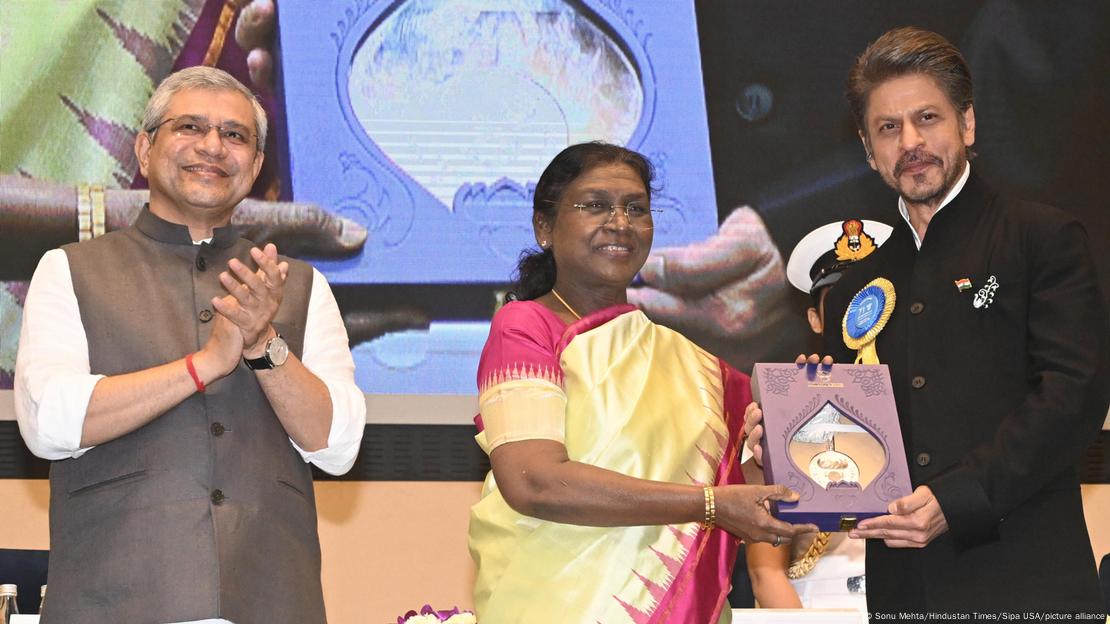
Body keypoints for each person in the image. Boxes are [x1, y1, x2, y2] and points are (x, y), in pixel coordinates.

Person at [14, 66, 366, 623]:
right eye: (190, 127)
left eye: (235, 136)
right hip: (116, 599)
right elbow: (48, 421)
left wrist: (263, 341)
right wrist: (204, 364)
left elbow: (338, 443)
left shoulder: (299, 285)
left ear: (253, 167)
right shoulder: (68, 270)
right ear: (145, 150)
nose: (212, 147)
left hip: (271, 597)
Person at [815, 27, 1107, 614]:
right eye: (888, 128)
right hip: (904, 591)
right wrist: (791, 428)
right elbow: (849, 437)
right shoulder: (855, 283)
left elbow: (1074, 396)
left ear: (967, 125)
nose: (911, 142)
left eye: (928, 118)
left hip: (1027, 578)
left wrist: (959, 497)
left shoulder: (1041, 238)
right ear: (869, 151)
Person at [467, 142, 816, 623]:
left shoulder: (698, 366)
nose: (620, 222)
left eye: (636, 208)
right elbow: (534, 481)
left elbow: (742, 486)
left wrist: (812, 421)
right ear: (544, 227)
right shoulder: (524, 328)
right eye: (594, 205)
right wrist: (712, 504)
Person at [746, 218, 891, 609]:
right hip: (819, 603)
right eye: (844, 303)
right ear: (815, 319)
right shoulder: (786, 401)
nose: (861, 317)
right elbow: (765, 572)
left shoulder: (939, 394)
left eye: (872, 300)